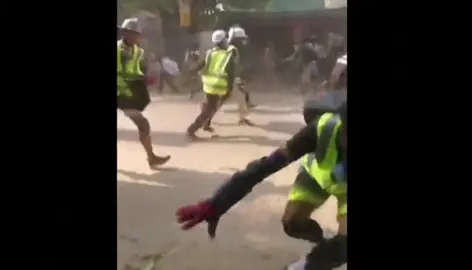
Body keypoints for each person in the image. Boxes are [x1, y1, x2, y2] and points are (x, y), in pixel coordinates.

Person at [176, 93, 347, 270]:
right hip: (316, 177)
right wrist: (217, 203)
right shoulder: (322, 128)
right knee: (292, 224)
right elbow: (264, 167)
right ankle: (326, 244)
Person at [117, 18, 171, 168]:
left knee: (143, 124)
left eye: (137, 34)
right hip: (121, 93)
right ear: (124, 33)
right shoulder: (118, 50)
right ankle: (151, 157)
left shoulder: (137, 51)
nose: (135, 37)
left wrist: (144, 77)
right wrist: (138, 78)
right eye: (132, 33)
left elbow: (135, 70)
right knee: (143, 123)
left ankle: (151, 157)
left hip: (125, 94)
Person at [186, 29, 235, 139]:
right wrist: (229, 89)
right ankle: (192, 129)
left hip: (209, 86)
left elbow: (201, 64)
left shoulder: (210, 53)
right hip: (219, 86)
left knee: (211, 107)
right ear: (223, 41)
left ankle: (204, 124)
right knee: (210, 109)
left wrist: (191, 71)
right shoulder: (228, 55)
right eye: (225, 40)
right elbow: (231, 73)